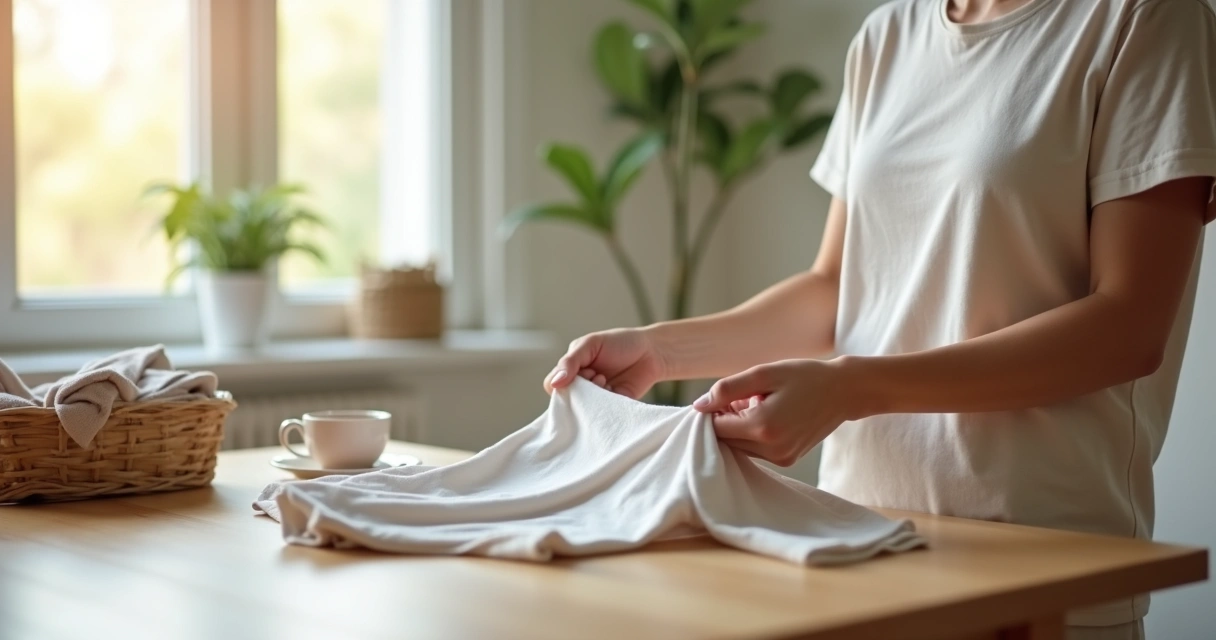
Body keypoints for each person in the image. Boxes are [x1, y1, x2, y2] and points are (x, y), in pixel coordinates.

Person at [544, 0, 1216, 638]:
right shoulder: (888, 36)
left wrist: (852, 389)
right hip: (853, 543)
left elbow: (1126, 327)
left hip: (1041, 558)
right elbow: (838, 289)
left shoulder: (1144, 18)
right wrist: (658, 352)